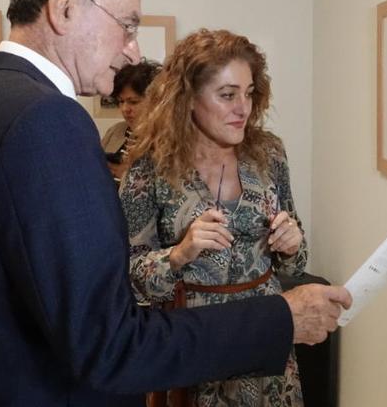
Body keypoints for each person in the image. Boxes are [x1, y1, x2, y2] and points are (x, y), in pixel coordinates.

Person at [0, 0, 351, 407]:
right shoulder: (48, 121)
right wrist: (281, 318)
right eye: (128, 24)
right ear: (65, 7)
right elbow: (108, 344)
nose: (133, 52)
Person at [122, 28, 310, 406]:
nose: (244, 107)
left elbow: (297, 262)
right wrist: (179, 253)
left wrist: (292, 244)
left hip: (265, 337)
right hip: (193, 343)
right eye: (227, 95)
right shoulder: (149, 169)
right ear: (188, 98)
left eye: (249, 92)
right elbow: (129, 281)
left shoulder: (269, 154)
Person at [101, 58, 161, 182]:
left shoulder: (168, 139)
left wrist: (129, 179)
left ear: (156, 101)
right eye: (121, 101)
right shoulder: (115, 131)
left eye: (133, 102)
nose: (124, 109)